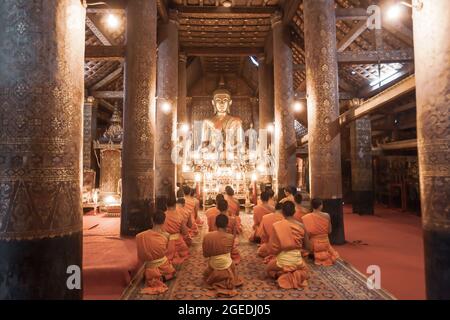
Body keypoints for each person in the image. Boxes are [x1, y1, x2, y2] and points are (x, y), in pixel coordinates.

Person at [266, 201, 310, 289]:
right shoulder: (301, 226)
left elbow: (272, 248)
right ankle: (295, 274)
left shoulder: (277, 225)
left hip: (281, 262)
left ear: (282, 212)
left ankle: (283, 274)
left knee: (269, 269)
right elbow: (308, 247)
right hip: (297, 261)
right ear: (294, 211)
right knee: (306, 271)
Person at [202, 214, 243, 297]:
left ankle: (215, 280)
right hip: (228, 266)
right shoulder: (230, 237)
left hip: (213, 265)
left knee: (206, 274)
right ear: (227, 224)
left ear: (215, 224)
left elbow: (205, 255)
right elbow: (230, 253)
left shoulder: (207, 236)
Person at [136, 210, 176, 295]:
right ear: (164, 221)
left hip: (149, 266)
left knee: (151, 273)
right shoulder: (166, 235)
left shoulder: (139, 236)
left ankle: (153, 277)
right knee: (172, 273)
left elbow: (140, 255)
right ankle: (161, 277)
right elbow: (168, 252)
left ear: (152, 220)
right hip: (163, 265)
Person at [302, 198, 340, 266]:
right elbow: (329, 231)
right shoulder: (327, 215)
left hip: (313, 245)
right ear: (321, 206)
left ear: (312, 206)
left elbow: (306, 235)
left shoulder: (306, 217)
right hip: (326, 244)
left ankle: (312, 254)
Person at [163, 194, 190, 266]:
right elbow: (185, 232)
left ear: (166, 205)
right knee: (184, 250)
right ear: (175, 204)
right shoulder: (180, 216)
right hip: (178, 243)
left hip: (165, 243)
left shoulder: (162, 216)